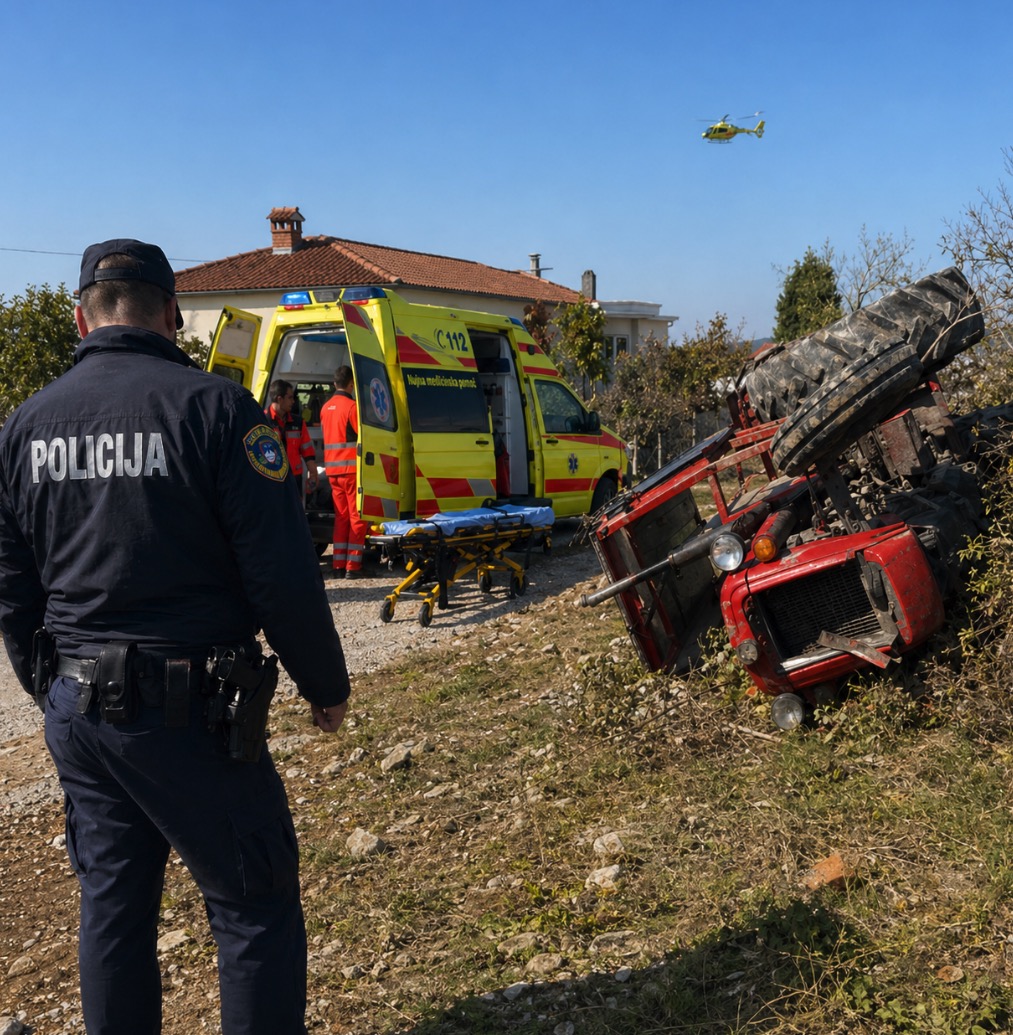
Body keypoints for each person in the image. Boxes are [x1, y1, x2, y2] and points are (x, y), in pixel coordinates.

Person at [0, 239, 350, 1035]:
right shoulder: (218, 412)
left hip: (81, 714)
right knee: (252, 904)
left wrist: (52, 687)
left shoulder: (24, 427)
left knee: (114, 910)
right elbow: (281, 574)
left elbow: (12, 589)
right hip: (190, 713)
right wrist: (324, 685)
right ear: (170, 314)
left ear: (80, 316)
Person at [320, 365, 367, 578]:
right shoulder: (352, 407)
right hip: (350, 470)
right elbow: (363, 436)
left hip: (332, 471)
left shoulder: (325, 408)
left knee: (341, 517)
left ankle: (338, 564)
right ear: (351, 384)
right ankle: (353, 567)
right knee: (356, 517)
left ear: (333, 384)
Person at [266, 378, 319, 493]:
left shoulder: (298, 422)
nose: (293, 401)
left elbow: (308, 451)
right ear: (279, 399)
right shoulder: (262, 421)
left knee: (294, 510)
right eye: (290, 398)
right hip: (271, 479)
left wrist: (313, 474)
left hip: (294, 478)